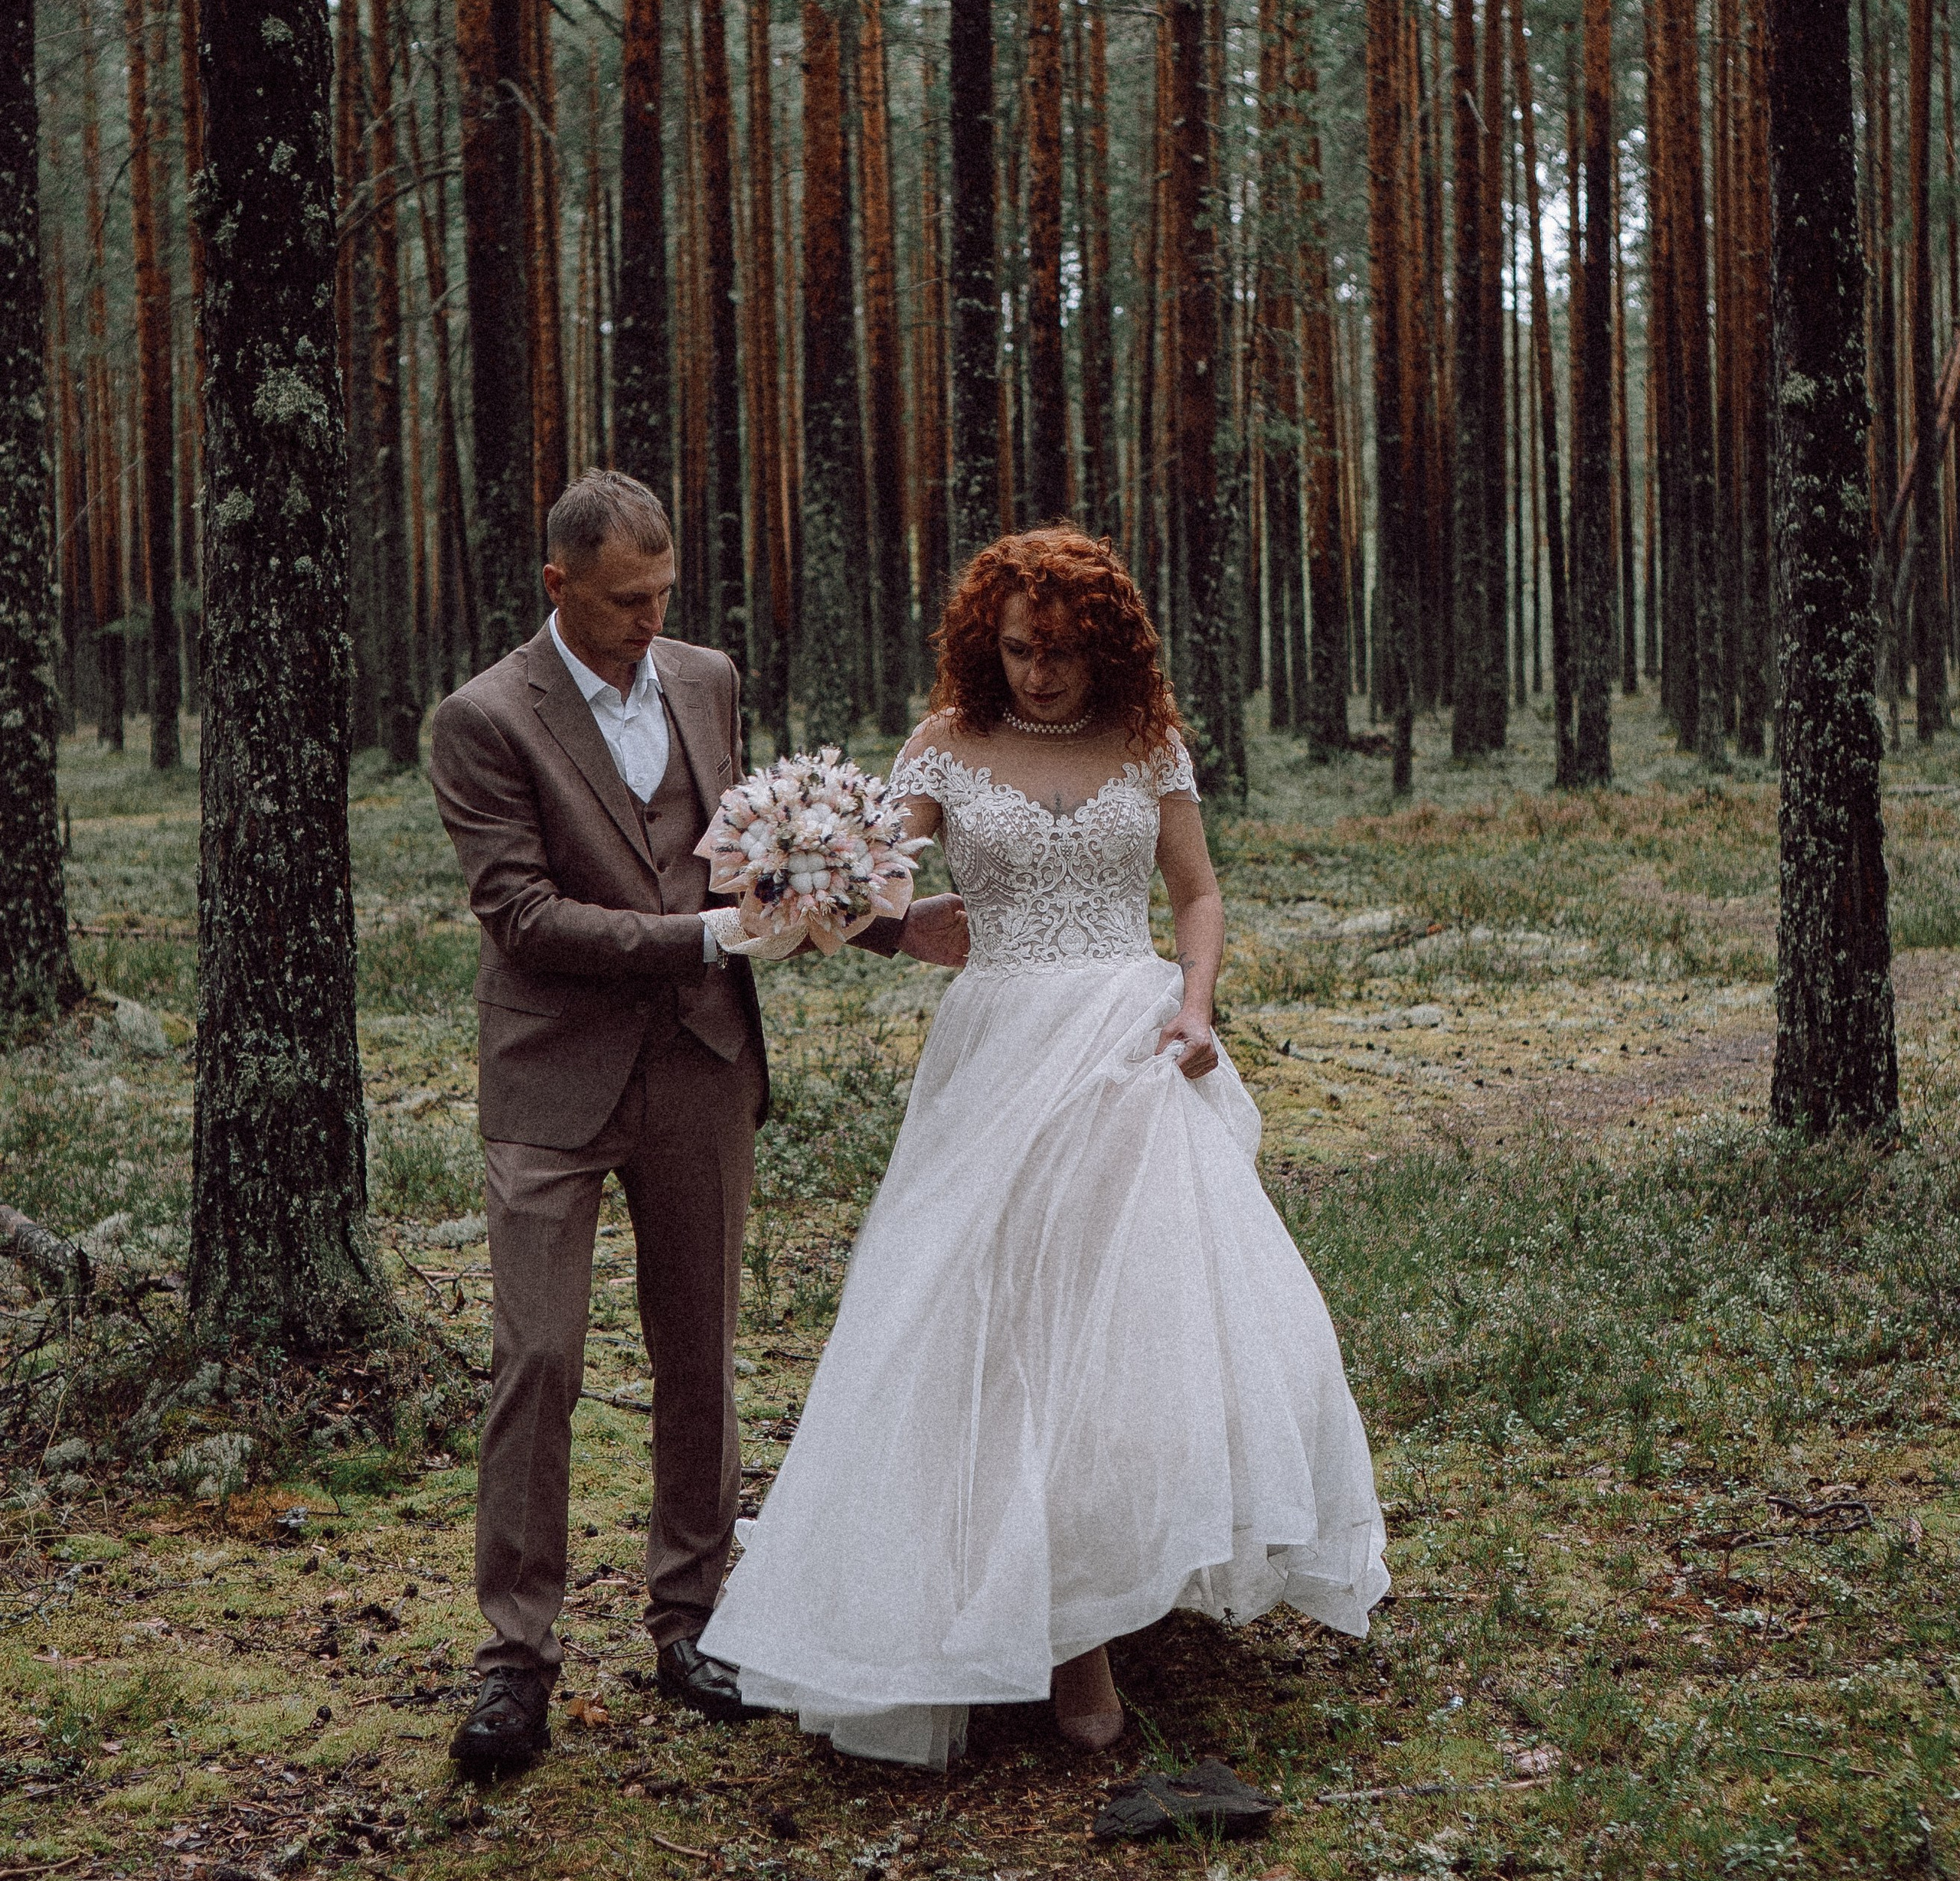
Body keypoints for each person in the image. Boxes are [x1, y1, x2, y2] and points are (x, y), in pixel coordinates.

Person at [701, 525, 1387, 1768]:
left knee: (1128, 1327)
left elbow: (1196, 892)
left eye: (1064, 650)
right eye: (1021, 649)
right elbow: (865, 888)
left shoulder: (1148, 743)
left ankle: (1108, 1588)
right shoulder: (944, 748)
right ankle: (1047, 1629)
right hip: (999, 1053)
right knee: (1000, 1318)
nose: (1042, 673)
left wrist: (1196, 1006)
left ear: (1105, 646)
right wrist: (851, 904)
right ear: (990, 643)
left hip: (1129, 1049)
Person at [427, 470, 966, 1774]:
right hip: (553, 1078)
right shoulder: (483, 719)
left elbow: (754, 863)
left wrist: (889, 927)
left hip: (703, 1062)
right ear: (557, 585)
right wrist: (711, 938)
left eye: (664, 593)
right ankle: (515, 1661)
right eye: (625, 600)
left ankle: (693, 1619)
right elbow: (524, 918)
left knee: (701, 1354)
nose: (650, 619)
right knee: (539, 1359)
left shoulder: (708, 680)